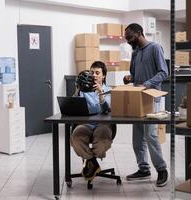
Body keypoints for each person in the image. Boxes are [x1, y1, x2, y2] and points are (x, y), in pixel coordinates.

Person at [123, 23, 169, 187]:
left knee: (151, 135)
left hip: (153, 98)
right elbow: (134, 75)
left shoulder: (155, 48)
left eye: (130, 37)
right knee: (137, 138)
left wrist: (147, 84)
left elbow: (164, 72)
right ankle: (143, 169)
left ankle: (162, 169)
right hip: (138, 98)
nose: (128, 41)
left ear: (139, 33)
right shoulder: (135, 53)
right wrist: (129, 78)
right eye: (127, 39)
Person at [70, 61, 112, 181]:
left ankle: (90, 162)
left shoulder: (109, 90)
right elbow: (74, 106)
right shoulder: (83, 91)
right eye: (92, 72)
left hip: (102, 124)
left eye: (97, 73)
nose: (94, 75)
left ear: (103, 76)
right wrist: (77, 91)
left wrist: (101, 94)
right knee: (76, 137)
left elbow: (107, 110)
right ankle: (92, 163)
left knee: (102, 139)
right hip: (86, 124)